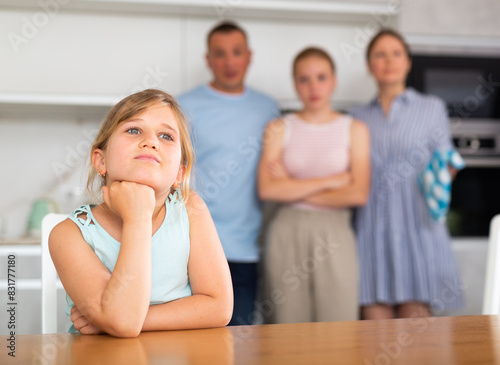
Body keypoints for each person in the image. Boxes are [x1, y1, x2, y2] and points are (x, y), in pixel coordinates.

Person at [49, 89, 233, 337]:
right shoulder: (68, 235)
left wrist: (115, 319)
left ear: (179, 173)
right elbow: (122, 323)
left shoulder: (191, 210)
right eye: (134, 130)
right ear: (101, 161)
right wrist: (138, 217)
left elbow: (219, 307)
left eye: (166, 136)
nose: (151, 141)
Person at [350, 29, 464, 320]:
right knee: (373, 327)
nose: (389, 60)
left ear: (408, 62)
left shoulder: (431, 108)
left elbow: (446, 161)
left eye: (396, 53)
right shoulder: (356, 116)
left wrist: (439, 179)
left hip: (418, 225)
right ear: (369, 65)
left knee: (417, 334)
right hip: (371, 228)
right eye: (380, 54)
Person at [258, 47, 370, 323]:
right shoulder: (278, 128)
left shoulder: (355, 129)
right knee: (287, 326)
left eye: (321, 77)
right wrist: (333, 182)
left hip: (336, 234)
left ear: (334, 81)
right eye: (303, 79)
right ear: (295, 83)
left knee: (340, 326)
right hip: (286, 230)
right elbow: (267, 189)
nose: (313, 87)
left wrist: (291, 186)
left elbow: (358, 194)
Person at [177, 21, 280, 325]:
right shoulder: (184, 106)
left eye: (236, 52)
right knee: (193, 343)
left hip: (248, 248)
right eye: (220, 54)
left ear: (249, 56)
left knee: (239, 342)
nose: (229, 62)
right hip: (194, 246)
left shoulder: (268, 108)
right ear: (208, 60)